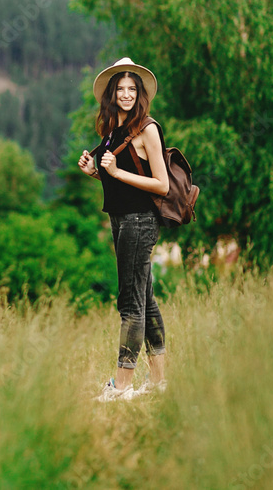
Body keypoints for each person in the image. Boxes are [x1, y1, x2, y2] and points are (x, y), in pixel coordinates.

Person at [78, 57, 170, 402]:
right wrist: (96, 171)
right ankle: (159, 382)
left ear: (140, 93)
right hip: (121, 219)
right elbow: (119, 178)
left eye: (133, 89)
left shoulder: (147, 128)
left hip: (139, 220)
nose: (127, 94)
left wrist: (114, 172)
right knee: (144, 301)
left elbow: (160, 184)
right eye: (121, 89)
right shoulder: (113, 131)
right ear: (111, 95)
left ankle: (122, 387)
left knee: (130, 304)